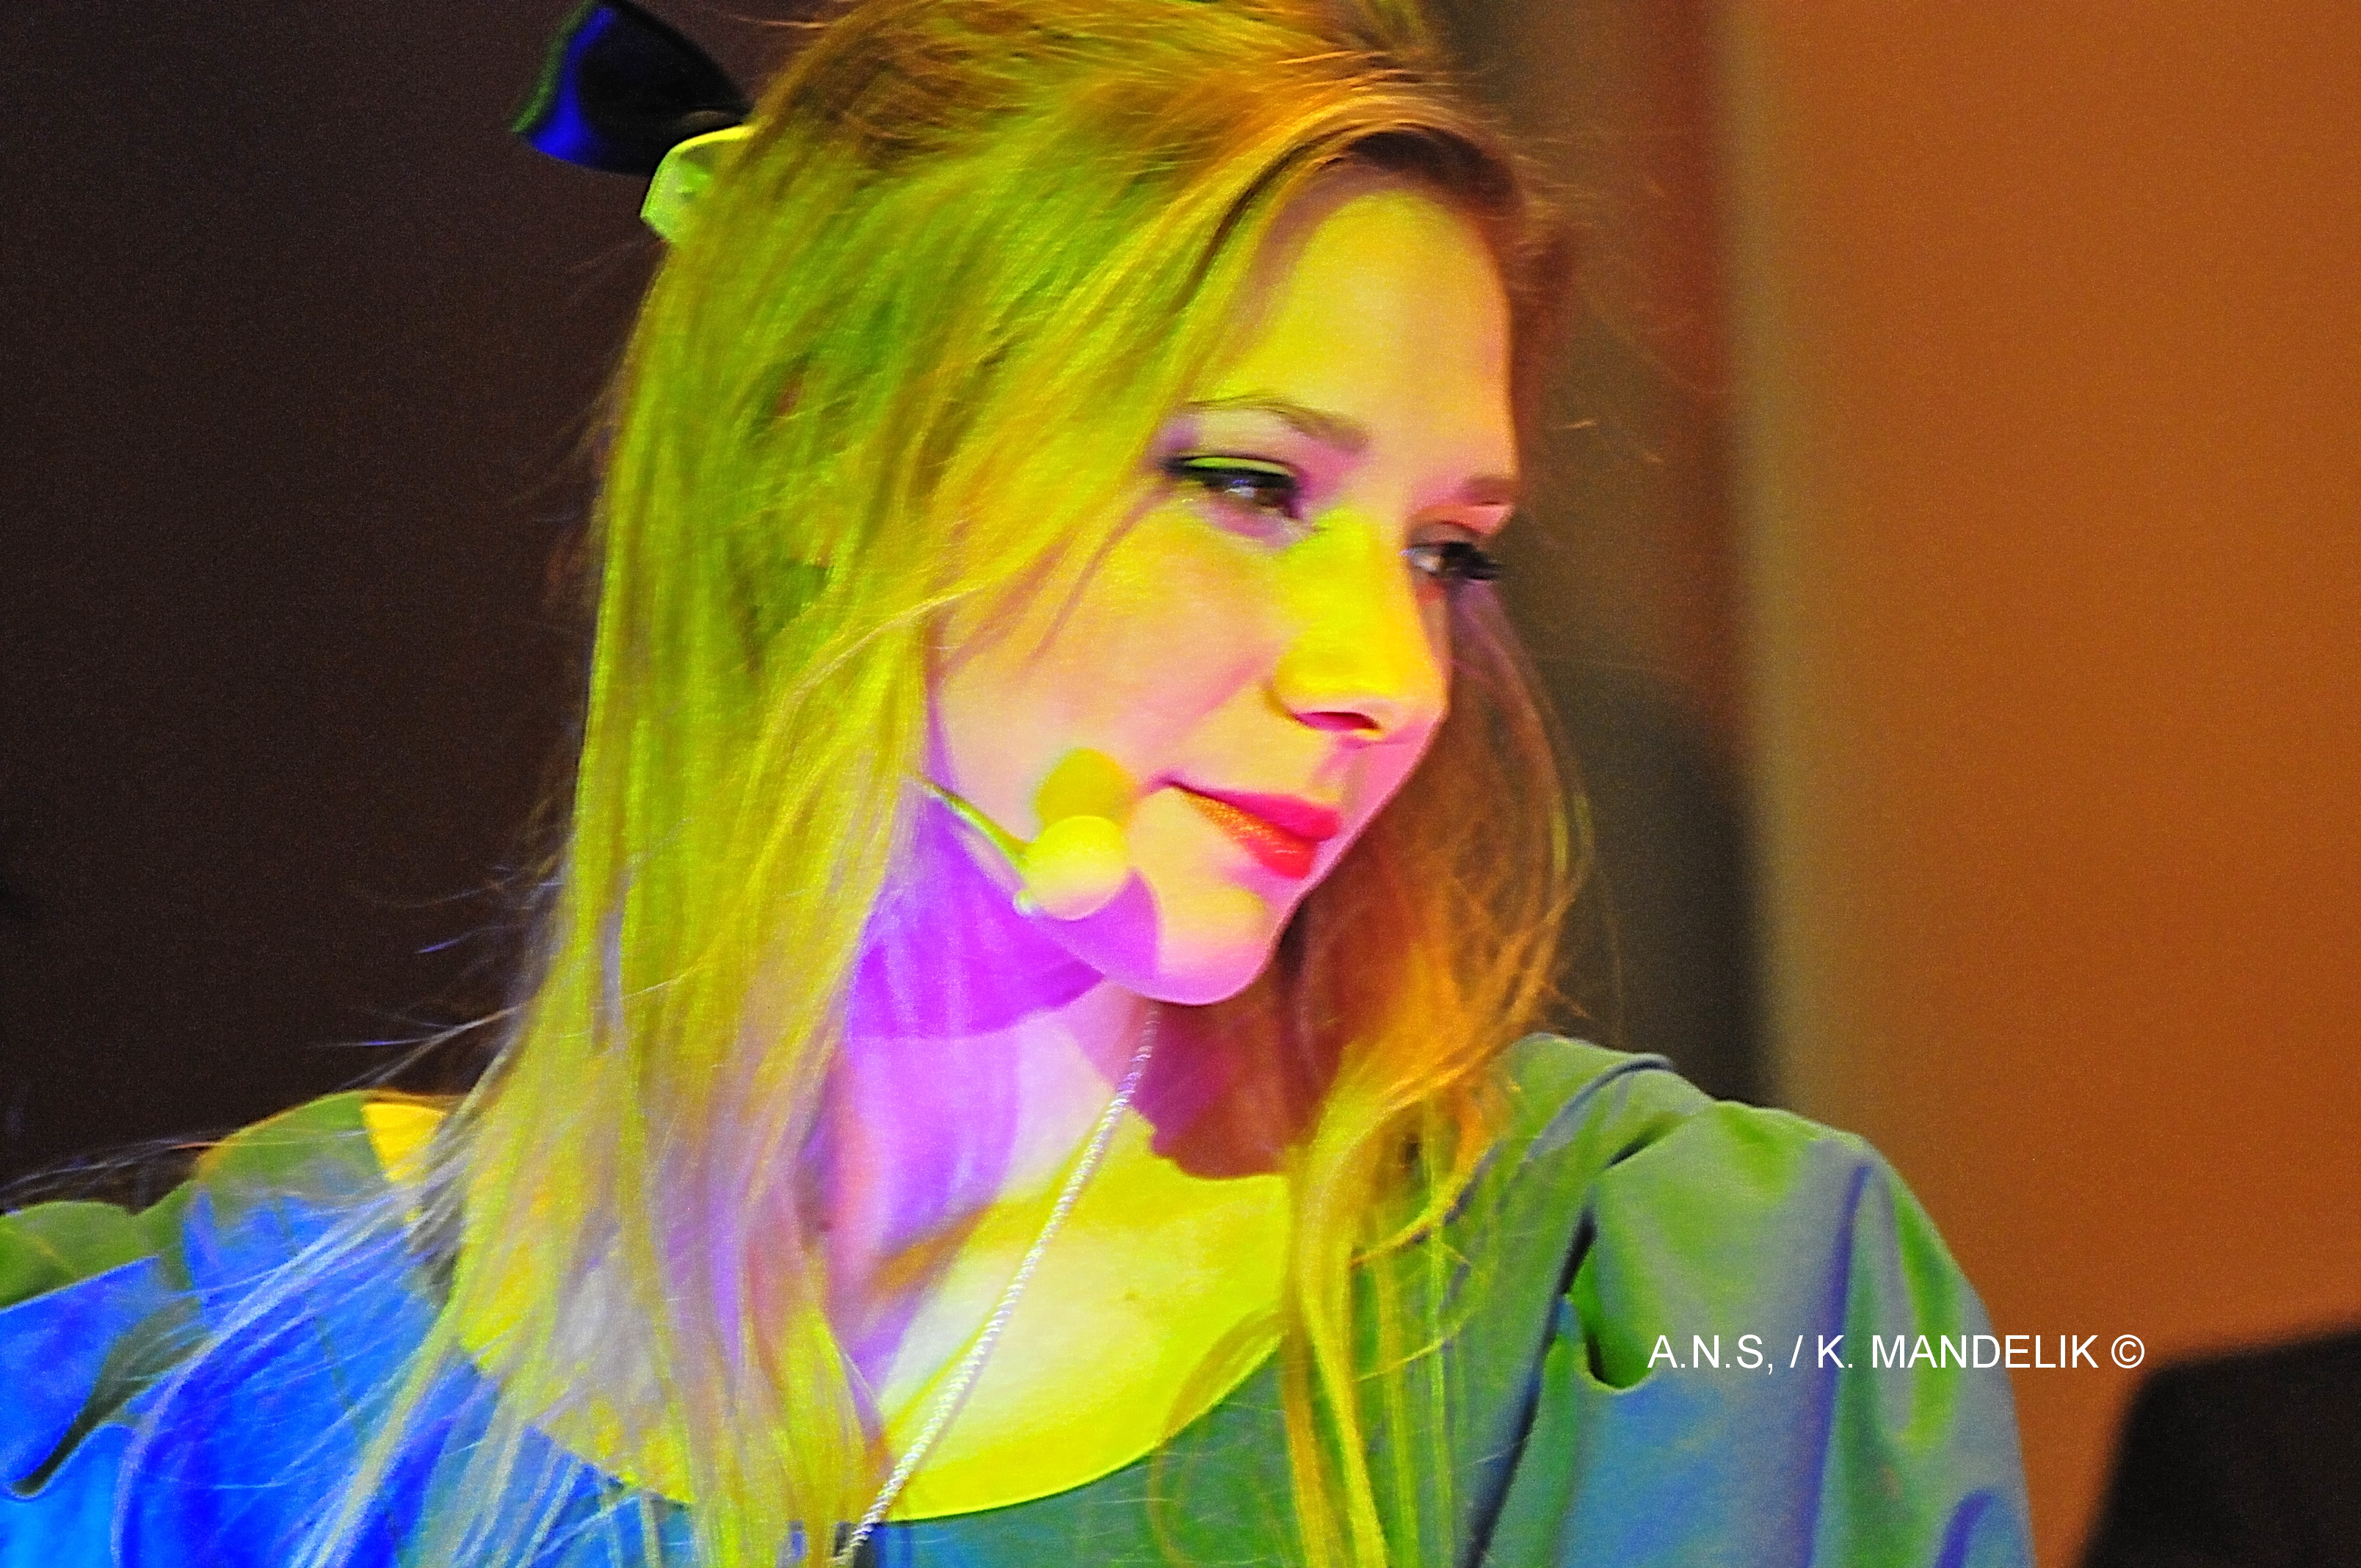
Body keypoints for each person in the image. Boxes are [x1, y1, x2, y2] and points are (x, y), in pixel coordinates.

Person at [0, 1, 2034, 1564]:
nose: (1386, 678)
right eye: (1244, 484)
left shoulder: (1685, 1324)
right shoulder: (206, 1371)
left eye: (1447, 552)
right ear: (821, 463)